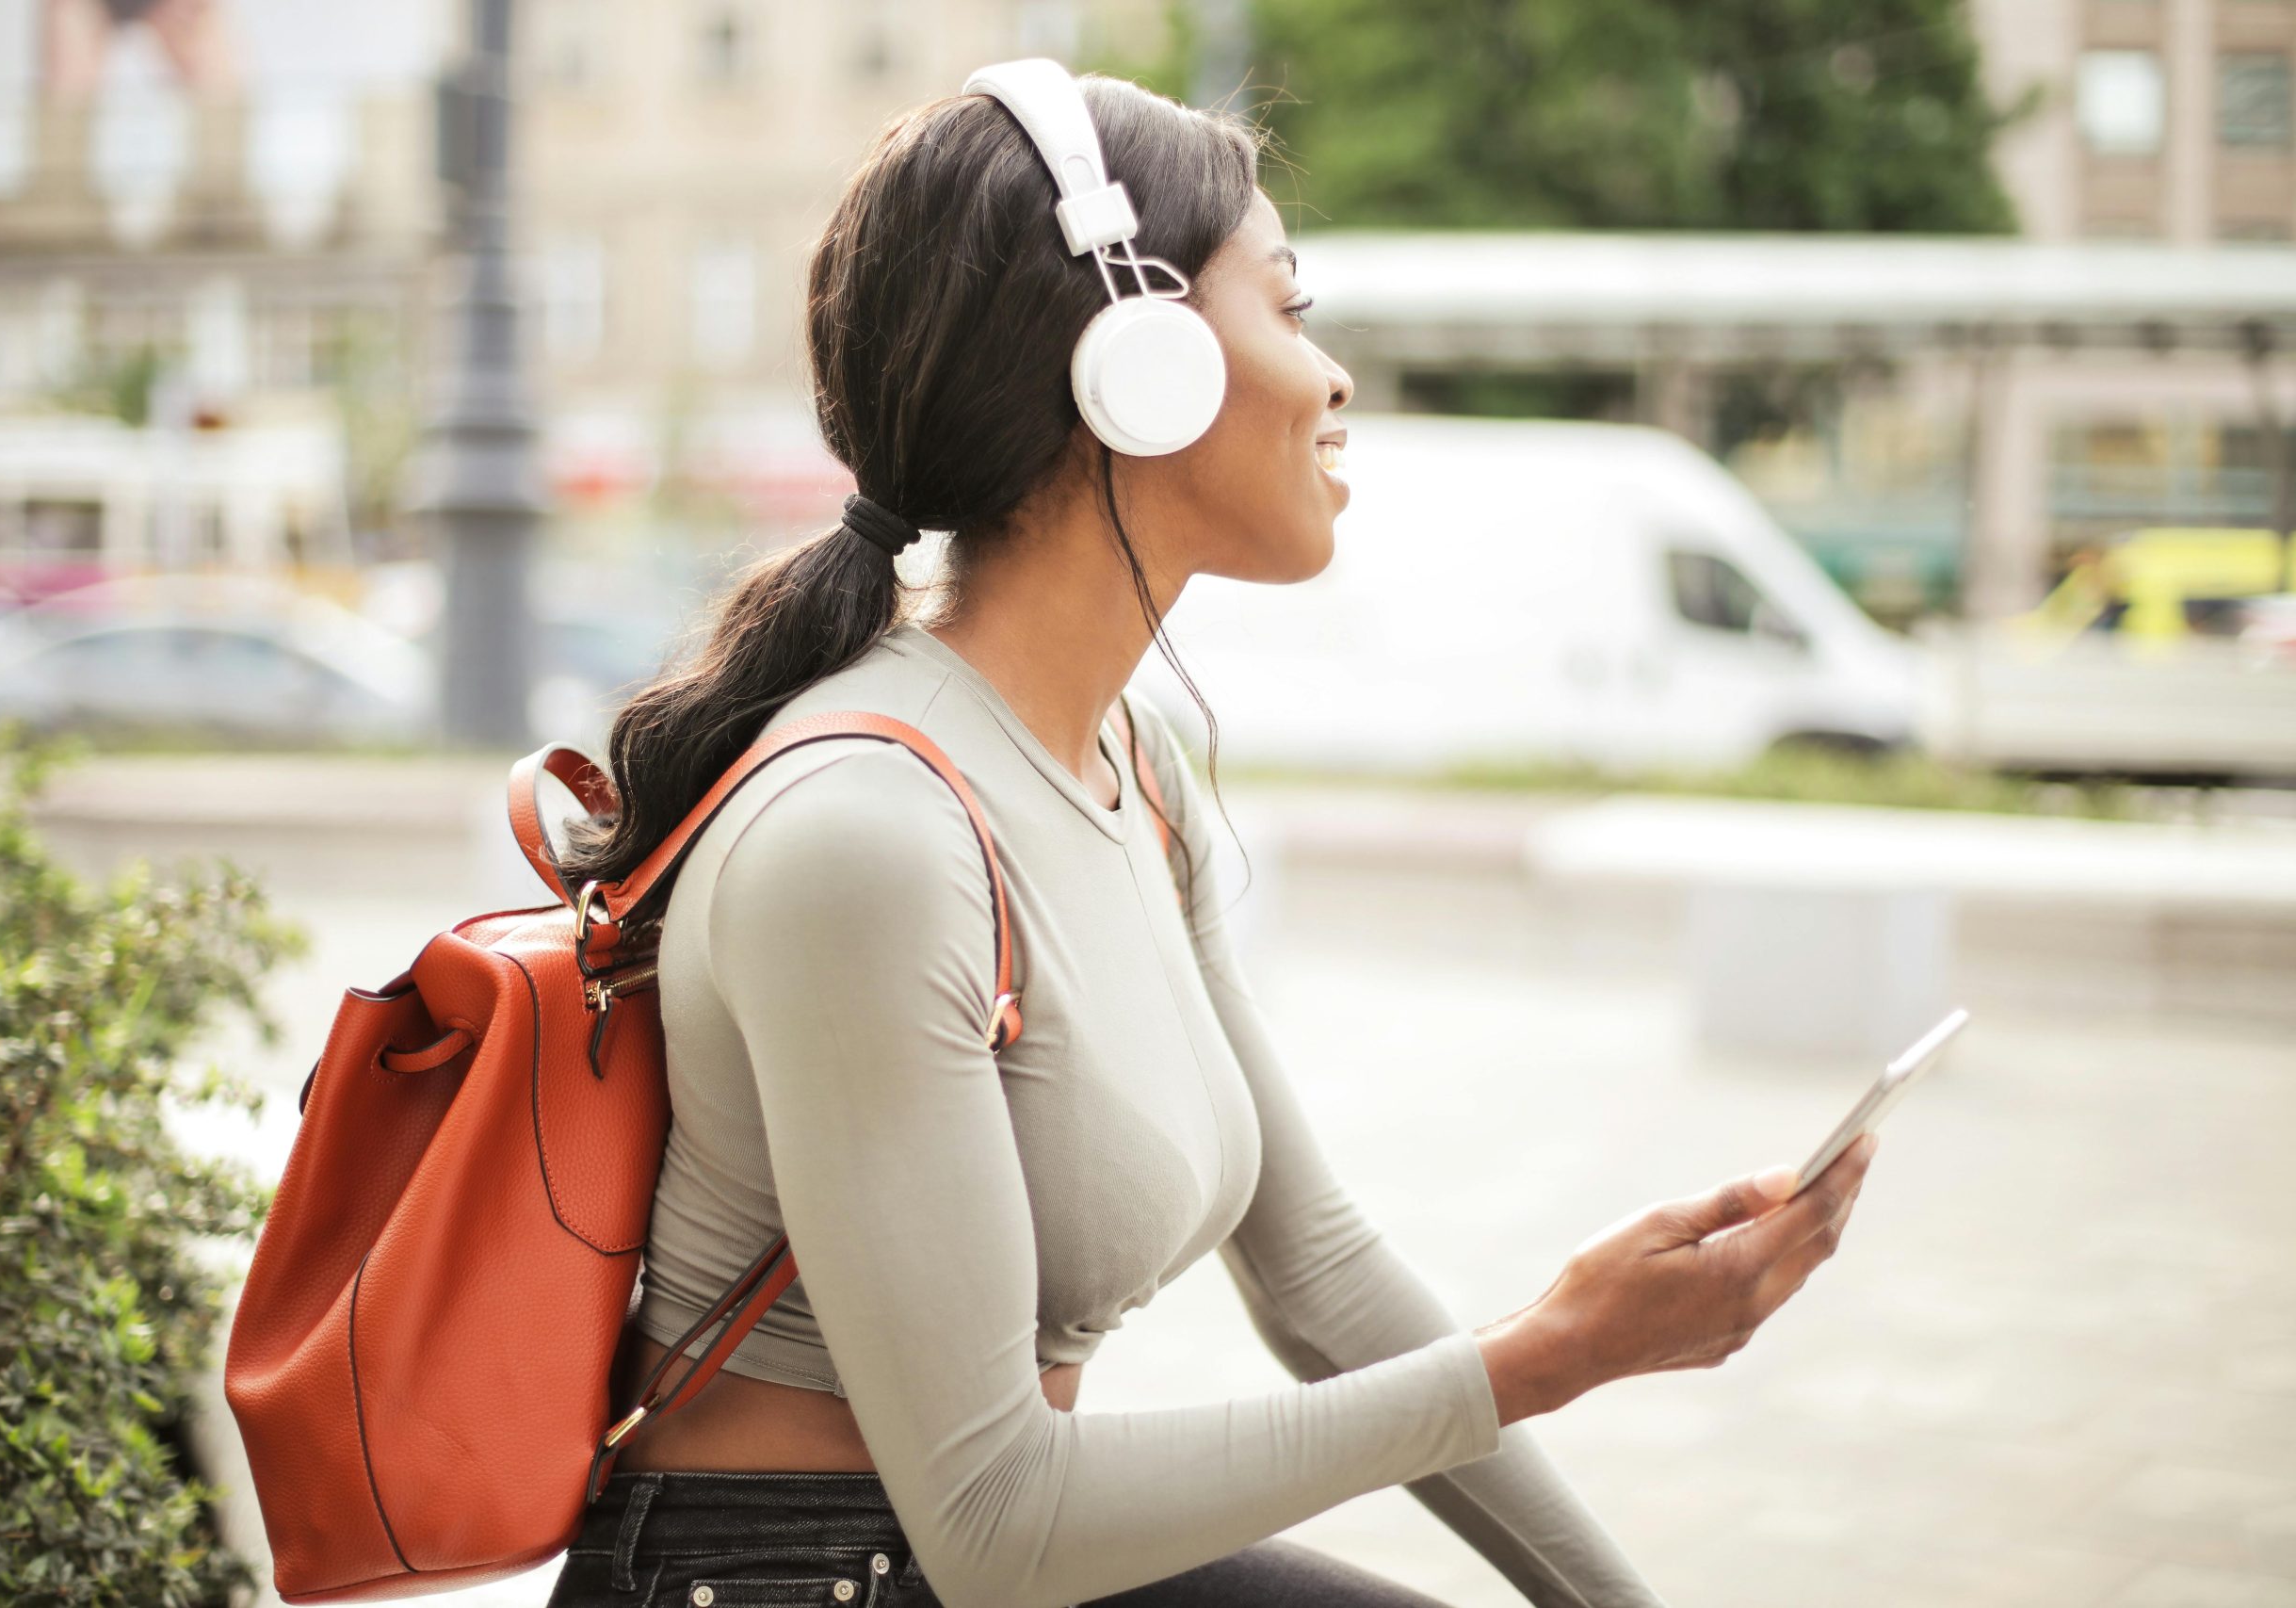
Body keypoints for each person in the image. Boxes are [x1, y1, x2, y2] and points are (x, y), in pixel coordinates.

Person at [545, 63, 1874, 1608]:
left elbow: (1321, 1277)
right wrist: (1551, 1356)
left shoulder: (1133, 761)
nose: (1335, 380)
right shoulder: (868, 835)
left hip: (957, 1560)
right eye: (1292, 310)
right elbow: (998, 1521)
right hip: (791, 1580)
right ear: (1140, 364)